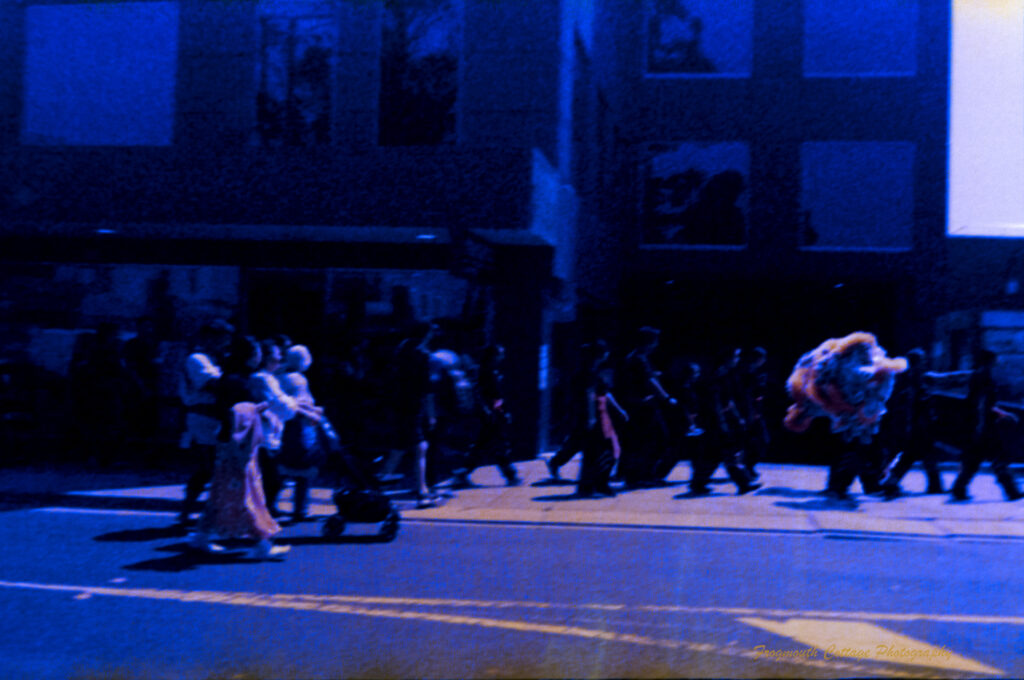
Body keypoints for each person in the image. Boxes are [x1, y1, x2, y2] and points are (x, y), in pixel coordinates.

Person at [189, 335, 289, 560]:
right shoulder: (239, 381)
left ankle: (201, 536)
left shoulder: (231, 378)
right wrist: (263, 412)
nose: (259, 356)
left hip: (229, 442)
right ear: (249, 356)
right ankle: (262, 544)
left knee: (221, 493)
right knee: (249, 493)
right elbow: (240, 411)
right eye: (256, 353)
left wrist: (263, 411)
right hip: (239, 445)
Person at [947, 350, 1023, 502]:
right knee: (998, 458)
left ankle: (959, 489)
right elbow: (982, 404)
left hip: (980, 424)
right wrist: (1000, 415)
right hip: (985, 426)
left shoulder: (978, 375)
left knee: (973, 460)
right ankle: (1011, 491)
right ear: (989, 361)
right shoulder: (984, 377)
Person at [178, 319, 233, 525]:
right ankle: (191, 509)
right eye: (220, 338)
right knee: (209, 466)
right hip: (202, 416)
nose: (224, 343)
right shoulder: (197, 359)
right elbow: (211, 384)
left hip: (216, 416)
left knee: (212, 466)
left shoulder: (217, 359)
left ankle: (194, 510)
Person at [685, 360, 760, 496]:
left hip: (714, 422)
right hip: (715, 423)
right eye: (735, 356)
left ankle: (698, 483)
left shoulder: (716, 380)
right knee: (725, 452)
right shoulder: (715, 381)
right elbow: (716, 406)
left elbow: (724, 403)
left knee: (712, 455)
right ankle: (742, 483)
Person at [388, 322, 440, 507]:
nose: (432, 336)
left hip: (399, 405)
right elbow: (427, 389)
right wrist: (432, 414)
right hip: (414, 407)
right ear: (426, 334)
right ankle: (422, 493)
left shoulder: (400, 351)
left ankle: (377, 487)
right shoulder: (423, 355)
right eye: (431, 333)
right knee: (420, 448)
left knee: (399, 449)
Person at [880, 348, 944, 498]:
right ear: (917, 362)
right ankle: (892, 482)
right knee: (915, 456)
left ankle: (934, 485)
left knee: (919, 456)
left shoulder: (908, 377)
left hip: (915, 424)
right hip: (918, 425)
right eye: (922, 359)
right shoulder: (915, 378)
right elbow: (918, 401)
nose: (924, 362)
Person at [618, 327, 676, 487]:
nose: (656, 345)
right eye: (655, 341)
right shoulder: (640, 359)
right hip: (645, 405)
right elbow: (650, 382)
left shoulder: (632, 358)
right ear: (648, 342)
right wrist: (666, 398)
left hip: (635, 404)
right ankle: (644, 475)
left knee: (642, 441)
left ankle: (636, 476)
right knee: (658, 439)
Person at [458, 344, 522, 487]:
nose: (502, 356)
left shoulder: (485, 370)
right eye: (500, 354)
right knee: (498, 442)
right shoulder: (488, 372)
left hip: (488, 412)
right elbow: (494, 396)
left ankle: (464, 471)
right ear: (493, 356)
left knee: (484, 443)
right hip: (491, 413)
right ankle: (510, 474)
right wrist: (501, 412)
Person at [278, 345, 325, 522]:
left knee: (289, 466)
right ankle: (300, 509)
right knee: (305, 467)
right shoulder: (297, 379)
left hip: (286, 427)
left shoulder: (280, 376)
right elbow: (300, 403)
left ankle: (275, 504)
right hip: (300, 427)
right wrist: (315, 413)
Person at [575, 342, 627, 497]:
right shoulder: (589, 373)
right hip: (596, 415)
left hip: (598, 415)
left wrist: (618, 410)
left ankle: (588, 485)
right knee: (608, 449)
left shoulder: (592, 372)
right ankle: (599, 483)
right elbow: (590, 395)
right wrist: (591, 417)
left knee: (593, 452)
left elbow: (604, 393)